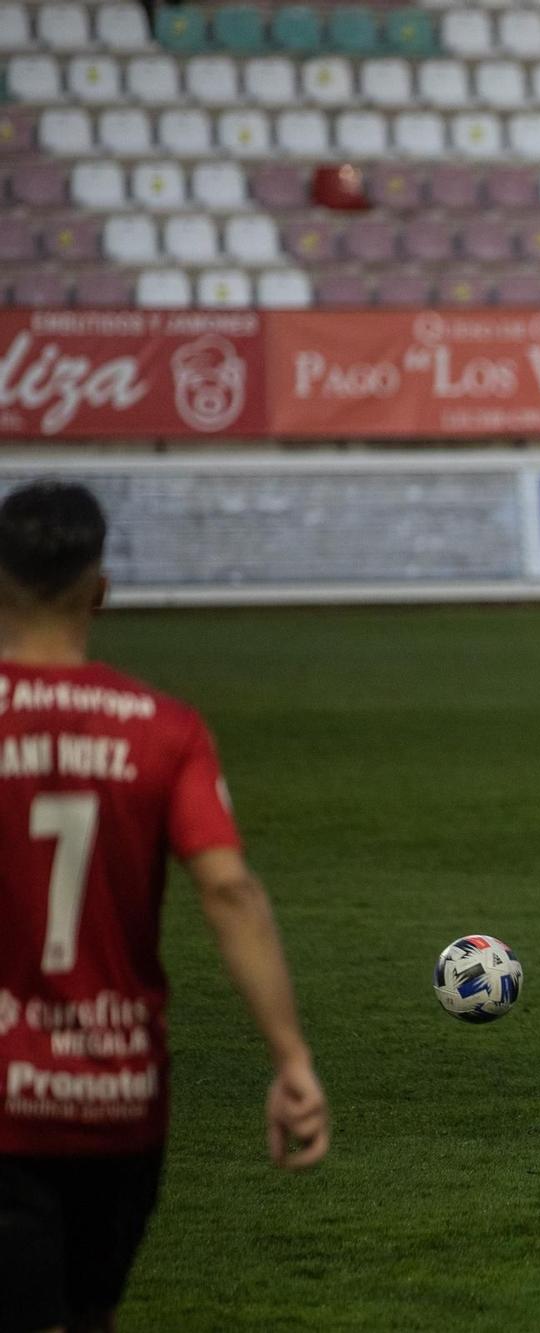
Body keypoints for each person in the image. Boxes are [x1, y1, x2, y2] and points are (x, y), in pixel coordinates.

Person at [0, 480, 328, 1333]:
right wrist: (290, 1054)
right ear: (100, 587)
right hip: (119, 1096)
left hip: (4, 1096)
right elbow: (227, 887)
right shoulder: (164, 727)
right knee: (91, 1316)